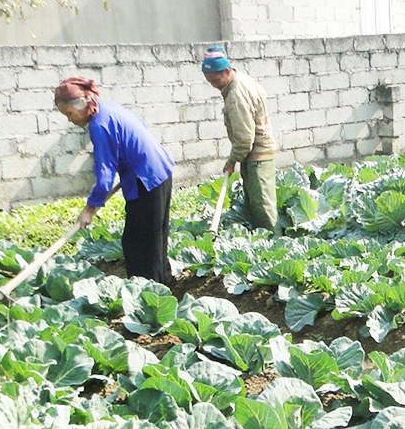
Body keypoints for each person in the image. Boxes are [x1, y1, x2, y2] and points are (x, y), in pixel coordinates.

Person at [54, 76, 175, 284]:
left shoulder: (99, 126)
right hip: (160, 170)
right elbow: (141, 127)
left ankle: (146, 292)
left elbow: (105, 176)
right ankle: (161, 286)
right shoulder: (109, 109)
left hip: (146, 179)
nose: (70, 120)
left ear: (82, 104)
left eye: (69, 113)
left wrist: (89, 209)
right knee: (155, 239)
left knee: (139, 245)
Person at [201, 46, 279, 234]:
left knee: (263, 209)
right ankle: (264, 242)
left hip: (258, 157)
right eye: (209, 81)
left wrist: (231, 162)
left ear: (227, 71)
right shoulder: (242, 79)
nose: (214, 85)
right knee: (255, 205)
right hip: (254, 155)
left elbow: (244, 139)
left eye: (216, 80)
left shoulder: (236, 96)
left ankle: (276, 244)